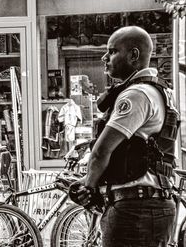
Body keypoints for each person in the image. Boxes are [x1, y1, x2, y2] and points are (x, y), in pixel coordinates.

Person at [69, 26, 179, 246]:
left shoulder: (136, 94)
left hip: (134, 212)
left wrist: (88, 187)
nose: (105, 57)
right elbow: (135, 153)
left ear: (134, 55)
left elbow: (102, 151)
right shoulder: (160, 91)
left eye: (112, 51)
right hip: (153, 205)